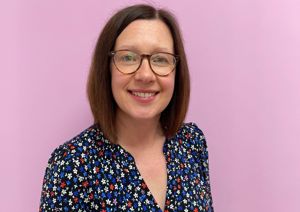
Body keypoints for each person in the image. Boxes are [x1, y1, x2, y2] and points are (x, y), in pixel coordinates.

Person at [39, 4, 214, 212]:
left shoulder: (192, 142)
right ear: (107, 69)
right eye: (128, 57)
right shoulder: (71, 164)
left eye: (160, 59)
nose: (145, 75)